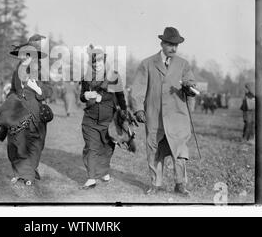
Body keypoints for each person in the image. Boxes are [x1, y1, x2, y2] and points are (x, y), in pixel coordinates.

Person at [130, 27, 196, 196]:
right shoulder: (147, 64)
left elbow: (191, 85)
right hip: (155, 115)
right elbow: (137, 89)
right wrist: (138, 109)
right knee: (155, 150)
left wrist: (189, 89)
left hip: (178, 116)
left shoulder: (183, 64)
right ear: (162, 43)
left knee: (180, 151)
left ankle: (180, 184)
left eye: (176, 45)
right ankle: (155, 184)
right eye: (170, 44)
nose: (174, 48)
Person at [0, 34, 53, 186]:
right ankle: (19, 171)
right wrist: (7, 102)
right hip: (17, 111)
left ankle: (28, 173)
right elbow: (13, 90)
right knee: (15, 143)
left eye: (31, 54)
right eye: (25, 54)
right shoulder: (17, 70)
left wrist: (39, 89)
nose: (27, 57)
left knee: (35, 143)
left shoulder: (42, 70)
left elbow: (49, 90)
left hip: (35, 112)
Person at [79, 45, 128, 189]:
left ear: (104, 61)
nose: (97, 65)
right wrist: (85, 95)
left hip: (109, 118)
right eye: (94, 63)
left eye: (100, 62)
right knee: (91, 147)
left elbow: (120, 96)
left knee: (107, 147)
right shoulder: (86, 78)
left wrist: (124, 113)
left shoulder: (114, 76)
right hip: (90, 118)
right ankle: (91, 178)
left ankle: (104, 170)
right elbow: (82, 96)